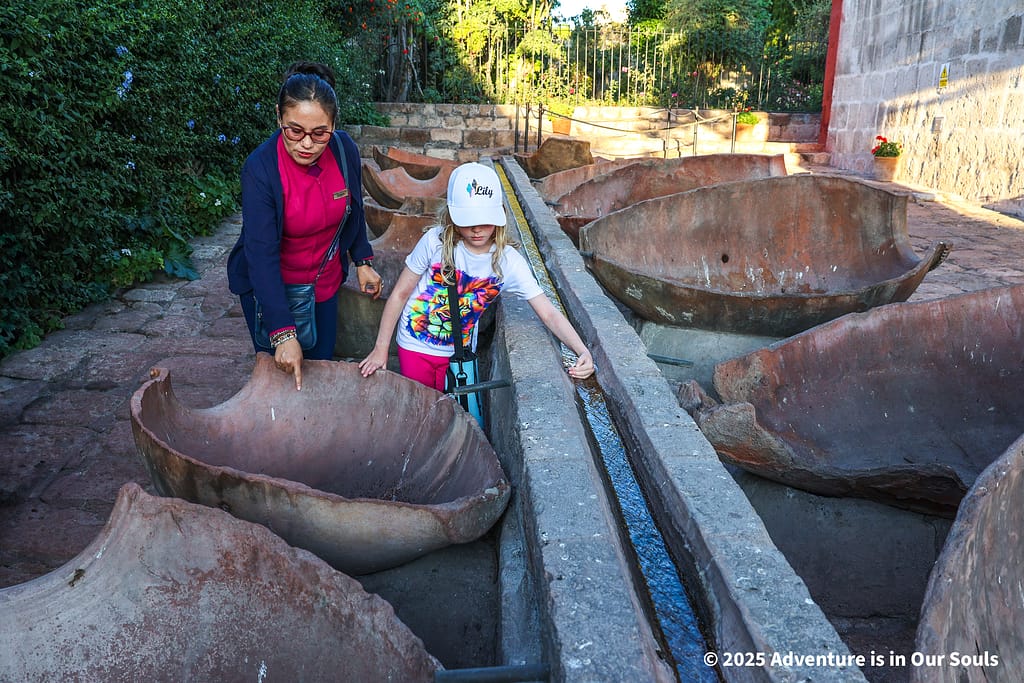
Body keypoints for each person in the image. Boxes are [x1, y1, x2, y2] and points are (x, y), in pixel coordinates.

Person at [358, 162, 594, 391]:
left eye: (485, 219)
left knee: (451, 412)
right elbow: (400, 294)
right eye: (468, 220)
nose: (477, 229)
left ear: (499, 214)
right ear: (452, 216)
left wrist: (581, 350)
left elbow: (549, 313)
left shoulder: (508, 261)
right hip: (414, 345)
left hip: (459, 355)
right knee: (419, 408)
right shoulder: (434, 242)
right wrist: (381, 348)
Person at [227, 61, 382, 391]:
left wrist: (363, 261)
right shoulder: (260, 168)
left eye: (319, 133)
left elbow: (353, 210)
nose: (306, 144)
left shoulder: (343, 151)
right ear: (279, 117)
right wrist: (282, 332)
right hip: (271, 286)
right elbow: (261, 254)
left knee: (319, 367)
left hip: (322, 282)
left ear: (333, 125)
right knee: (280, 379)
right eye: (294, 131)